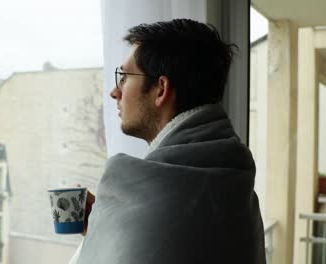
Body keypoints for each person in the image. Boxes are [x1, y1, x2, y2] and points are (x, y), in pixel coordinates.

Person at [71, 19, 265, 264]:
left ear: (161, 89)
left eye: (124, 77)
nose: (115, 91)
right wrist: (107, 228)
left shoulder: (145, 186)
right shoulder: (236, 185)